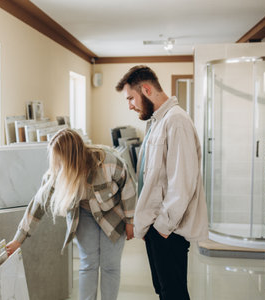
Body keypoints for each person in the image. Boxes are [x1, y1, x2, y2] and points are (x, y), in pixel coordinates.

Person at [6, 128, 136, 300]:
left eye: (59, 160)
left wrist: (130, 221)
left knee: (110, 265)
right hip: (83, 215)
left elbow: (129, 188)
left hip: (113, 214)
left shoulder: (108, 163)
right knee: (89, 264)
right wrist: (18, 239)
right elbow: (37, 205)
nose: (56, 166)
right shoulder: (56, 174)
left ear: (71, 158)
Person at [115, 66, 208, 300]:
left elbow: (183, 183)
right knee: (165, 292)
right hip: (157, 227)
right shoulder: (156, 122)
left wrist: (162, 229)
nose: (130, 105)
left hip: (169, 230)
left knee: (173, 294)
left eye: (131, 98)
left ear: (146, 89)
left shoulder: (176, 121)